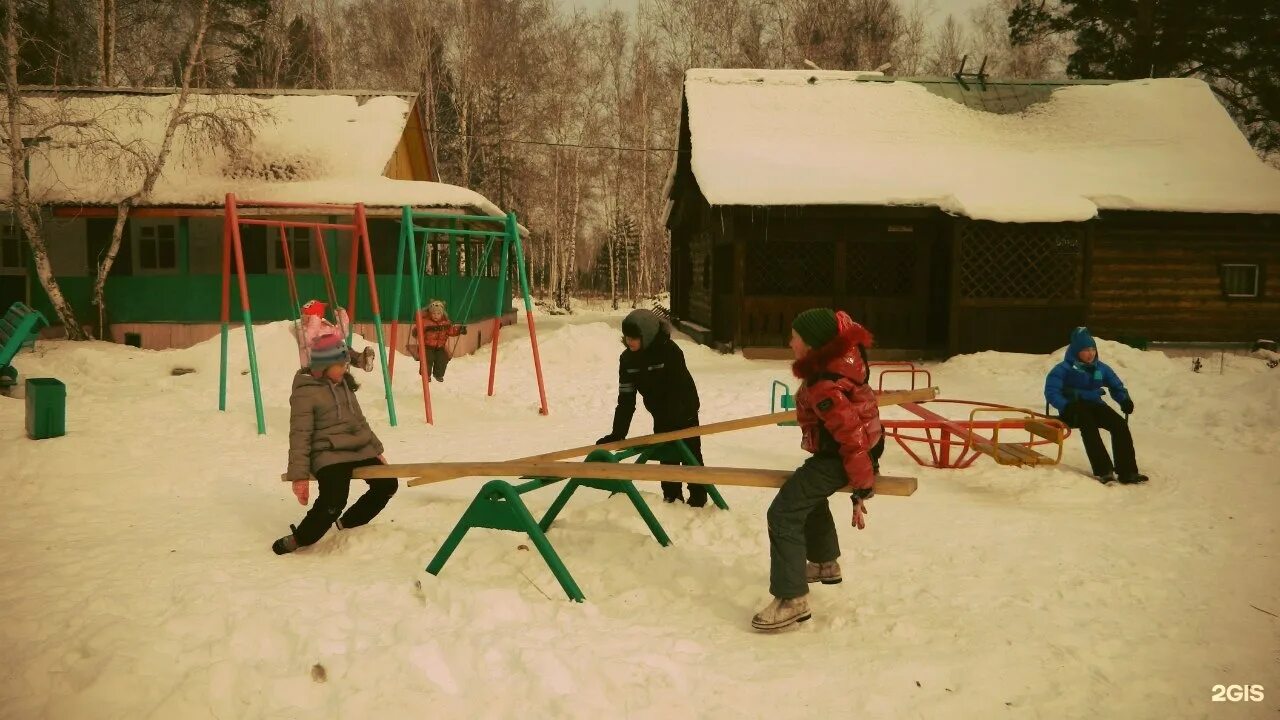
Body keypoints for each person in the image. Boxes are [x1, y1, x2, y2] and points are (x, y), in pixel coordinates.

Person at [752, 308, 882, 632]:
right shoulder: (834, 365)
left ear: (810, 344)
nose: (789, 342)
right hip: (844, 452)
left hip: (845, 456)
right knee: (805, 493)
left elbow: (851, 435)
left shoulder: (825, 383)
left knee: (783, 513)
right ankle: (824, 563)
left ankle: (790, 600)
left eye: (794, 338)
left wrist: (862, 482)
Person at [273, 331, 398, 555]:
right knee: (334, 500)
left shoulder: (344, 385)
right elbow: (299, 435)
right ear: (323, 365)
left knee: (387, 484)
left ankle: (348, 524)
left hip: (358, 448)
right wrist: (299, 475)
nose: (344, 369)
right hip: (327, 452)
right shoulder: (306, 393)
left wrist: (375, 450)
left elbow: (359, 422)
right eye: (340, 365)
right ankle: (302, 537)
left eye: (345, 364)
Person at [596, 309, 708, 507]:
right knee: (667, 456)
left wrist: (674, 423)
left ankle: (698, 498)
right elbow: (626, 399)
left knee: (691, 455)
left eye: (634, 338)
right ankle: (672, 498)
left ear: (646, 335)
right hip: (660, 413)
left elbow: (678, 390)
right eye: (627, 337)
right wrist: (618, 433)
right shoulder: (628, 360)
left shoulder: (670, 352)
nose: (629, 342)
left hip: (684, 409)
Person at [1044, 327, 1147, 485]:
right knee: (1088, 425)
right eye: (1085, 350)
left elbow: (1116, 386)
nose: (1090, 353)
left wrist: (1124, 400)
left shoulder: (1100, 368)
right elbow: (1051, 392)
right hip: (1073, 407)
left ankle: (1128, 472)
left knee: (1119, 425)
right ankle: (1104, 470)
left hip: (1095, 404)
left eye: (1093, 349)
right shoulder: (1063, 369)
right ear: (1076, 351)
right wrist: (1065, 405)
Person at [298, 299, 375, 372]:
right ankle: (358, 360)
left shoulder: (323, 326)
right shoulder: (303, 329)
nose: (322, 314)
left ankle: (361, 360)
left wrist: (342, 316)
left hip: (332, 357)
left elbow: (342, 334)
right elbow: (308, 340)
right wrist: (315, 318)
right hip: (315, 362)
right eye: (320, 312)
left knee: (343, 348)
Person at [408, 299, 465, 382]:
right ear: (430, 313)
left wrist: (459, 329)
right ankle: (426, 375)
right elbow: (417, 332)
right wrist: (416, 332)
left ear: (442, 314)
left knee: (443, 358)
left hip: (440, 347)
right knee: (427, 359)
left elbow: (451, 331)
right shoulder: (425, 322)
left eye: (438, 313)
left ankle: (438, 375)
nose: (436, 315)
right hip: (427, 346)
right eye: (433, 313)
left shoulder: (446, 323)